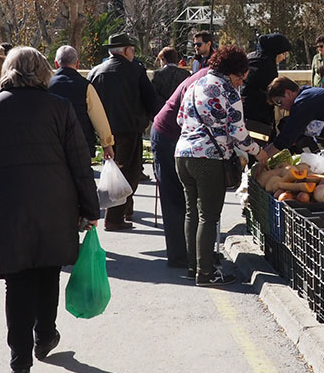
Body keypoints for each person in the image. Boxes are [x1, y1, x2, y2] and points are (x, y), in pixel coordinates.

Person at [0, 47, 100, 373]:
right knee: (47, 271)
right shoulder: (60, 108)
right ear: (44, 71)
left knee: (16, 284)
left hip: (6, 206)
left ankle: (20, 363)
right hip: (54, 204)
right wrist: (90, 210)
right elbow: (80, 163)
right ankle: (45, 334)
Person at [176, 46, 267, 285]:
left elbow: (179, 118)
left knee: (191, 212)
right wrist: (259, 152)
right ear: (233, 72)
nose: (240, 83)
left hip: (182, 154)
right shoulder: (228, 91)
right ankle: (206, 273)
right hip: (208, 158)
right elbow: (238, 132)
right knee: (208, 215)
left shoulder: (194, 84)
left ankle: (193, 266)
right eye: (240, 78)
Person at [88, 33, 160, 231]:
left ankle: (126, 209)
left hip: (104, 131)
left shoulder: (96, 72)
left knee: (114, 170)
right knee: (129, 172)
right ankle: (115, 217)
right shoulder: (135, 71)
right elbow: (151, 100)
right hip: (129, 129)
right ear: (127, 50)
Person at [151, 67, 209, 270]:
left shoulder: (208, 77)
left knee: (187, 199)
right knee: (175, 199)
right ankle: (179, 255)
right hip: (168, 136)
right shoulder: (205, 81)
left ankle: (193, 252)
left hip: (176, 137)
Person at [49, 46, 115, 160]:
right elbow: (98, 117)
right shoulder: (86, 86)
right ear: (77, 63)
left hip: (54, 143)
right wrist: (107, 144)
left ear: (56, 64)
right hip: (81, 143)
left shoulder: (46, 86)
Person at [240, 33, 292, 139]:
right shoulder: (266, 64)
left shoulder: (253, 58)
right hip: (258, 115)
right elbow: (271, 91)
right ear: (276, 51)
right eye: (283, 53)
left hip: (246, 111)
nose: (284, 57)